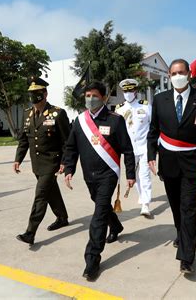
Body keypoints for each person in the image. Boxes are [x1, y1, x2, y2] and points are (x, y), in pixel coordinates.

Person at [147, 58, 196, 274]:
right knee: (176, 204)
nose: (177, 76)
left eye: (181, 72)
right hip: (168, 161)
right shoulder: (160, 100)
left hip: (192, 162)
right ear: (169, 76)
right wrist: (151, 154)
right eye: (173, 73)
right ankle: (180, 233)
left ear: (189, 73)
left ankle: (187, 257)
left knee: (189, 206)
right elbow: (153, 131)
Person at [63, 81, 136, 281]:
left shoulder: (115, 120)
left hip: (108, 174)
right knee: (101, 207)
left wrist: (131, 174)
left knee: (97, 216)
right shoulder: (79, 121)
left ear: (103, 98)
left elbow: (127, 149)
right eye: (87, 96)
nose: (90, 99)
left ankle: (92, 259)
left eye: (94, 96)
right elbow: (71, 147)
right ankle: (117, 226)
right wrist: (69, 168)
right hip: (89, 175)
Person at [14, 76, 71, 246]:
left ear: (45, 93)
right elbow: (24, 140)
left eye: (37, 93)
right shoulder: (27, 114)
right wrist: (18, 159)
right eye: (31, 93)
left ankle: (30, 232)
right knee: (51, 191)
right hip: (36, 164)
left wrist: (65, 162)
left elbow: (67, 141)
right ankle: (62, 217)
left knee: (41, 196)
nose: (33, 96)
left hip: (52, 163)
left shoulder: (57, 113)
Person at [115, 78, 153, 216]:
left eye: (130, 90)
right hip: (129, 150)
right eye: (125, 91)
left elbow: (152, 126)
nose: (128, 93)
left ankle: (145, 204)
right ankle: (142, 195)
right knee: (134, 176)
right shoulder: (119, 109)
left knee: (144, 175)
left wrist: (154, 145)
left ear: (135, 91)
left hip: (144, 147)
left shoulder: (145, 106)